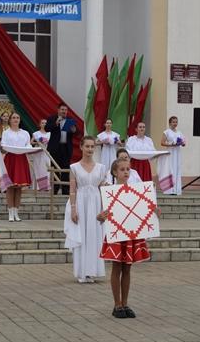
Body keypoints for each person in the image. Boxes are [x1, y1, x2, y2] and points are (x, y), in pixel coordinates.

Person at [97, 158, 158, 318]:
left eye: (128, 169)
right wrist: (101, 216)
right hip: (117, 234)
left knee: (128, 268)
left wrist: (152, 210)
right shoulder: (109, 192)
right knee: (117, 267)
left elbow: (143, 211)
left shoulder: (135, 191)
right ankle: (117, 304)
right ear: (115, 173)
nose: (125, 172)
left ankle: (125, 303)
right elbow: (99, 216)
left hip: (131, 234)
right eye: (122, 169)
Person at [64, 136, 107, 283]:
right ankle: (82, 271)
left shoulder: (101, 168)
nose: (90, 149)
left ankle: (93, 271)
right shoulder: (74, 167)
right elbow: (72, 190)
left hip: (95, 204)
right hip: (81, 203)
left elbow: (103, 189)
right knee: (81, 235)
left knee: (94, 236)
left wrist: (104, 209)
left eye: (92, 146)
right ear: (81, 147)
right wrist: (73, 209)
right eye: (87, 146)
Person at [0, 112, 32, 222]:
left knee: (19, 188)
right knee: (10, 187)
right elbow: (3, 145)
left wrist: (29, 148)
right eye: (13, 117)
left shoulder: (25, 133)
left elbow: (28, 145)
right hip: (10, 159)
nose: (16, 119)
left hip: (21, 159)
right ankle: (10, 213)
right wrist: (3, 148)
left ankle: (16, 213)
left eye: (17, 117)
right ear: (9, 120)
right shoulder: (6, 133)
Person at [46, 103, 78, 195]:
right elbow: (47, 128)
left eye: (65, 110)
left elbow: (76, 132)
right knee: (55, 168)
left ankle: (65, 190)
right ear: (58, 110)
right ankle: (55, 189)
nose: (64, 111)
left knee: (65, 168)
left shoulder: (70, 120)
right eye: (62, 109)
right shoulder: (52, 118)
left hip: (66, 148)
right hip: (55, 148)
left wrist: (73, 130)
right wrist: (56, 123)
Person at [160, 116, 186, 195]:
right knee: (170, 169)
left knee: (177, 169)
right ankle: (169, 190)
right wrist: (171, 144)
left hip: (177, 153)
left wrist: (182, 143)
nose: (175, 123)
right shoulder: (166, 132)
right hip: (170, 152)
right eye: (173, 122)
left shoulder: (179, 132)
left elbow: (184, 143)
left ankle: (176, 189)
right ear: (170, 123)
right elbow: (162, 142)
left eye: (176, 122)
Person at [30, 119, 52, 191]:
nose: (44, 124)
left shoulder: (49, 133)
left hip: (46, 152)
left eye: (45, 123)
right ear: (40, 124)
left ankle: (45, 186)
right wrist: (38, 142)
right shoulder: (36, 133)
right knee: (38, 168)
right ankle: (38, 186)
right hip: (38, 152)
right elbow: (31, 142)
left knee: (46, 168)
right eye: (42, 123)